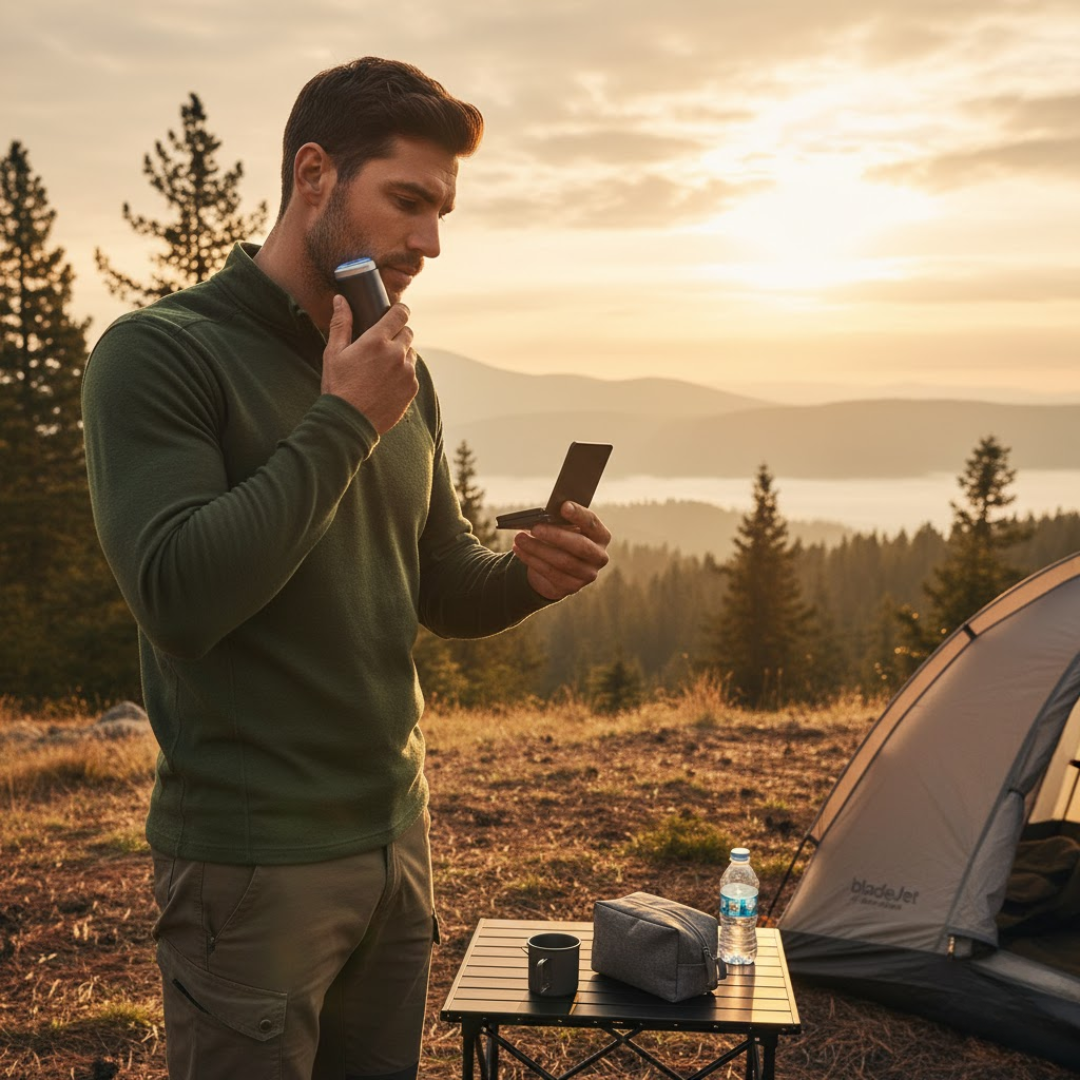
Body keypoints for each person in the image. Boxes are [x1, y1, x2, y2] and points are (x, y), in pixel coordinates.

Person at [82, 57, 611, 1080]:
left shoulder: (396, 372)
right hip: (248, 862)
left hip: (395, 841)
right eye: (407, 202)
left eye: (442, 211)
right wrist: (344, 421)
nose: (430, 242)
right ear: (314, 176)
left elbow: (440, 580)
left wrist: (530, 576)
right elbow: (179, 598)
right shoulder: (162, 355)